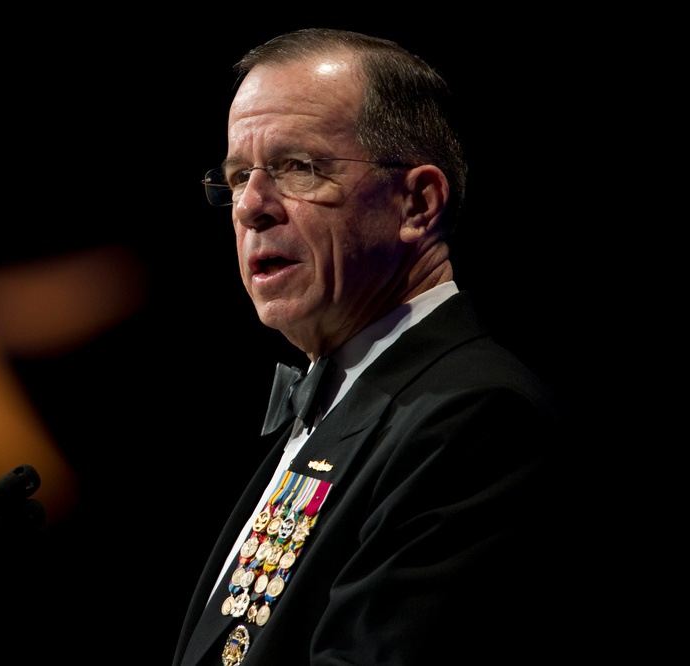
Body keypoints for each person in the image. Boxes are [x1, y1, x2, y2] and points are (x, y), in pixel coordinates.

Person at [172, 28, 571, 666]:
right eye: (238, 176)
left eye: (296, 167)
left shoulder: (477, 420)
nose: (250, 207)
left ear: (417, 203)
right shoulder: (340, 401)